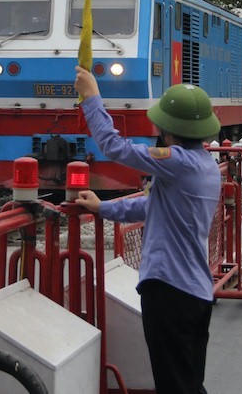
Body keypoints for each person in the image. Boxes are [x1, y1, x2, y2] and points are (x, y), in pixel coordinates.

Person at [73, 66, 221, 394]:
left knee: (175, 386)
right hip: (196, 292)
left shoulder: (177, 161)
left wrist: (92, 97)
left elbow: (114, 147)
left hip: (169, 290)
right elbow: (149, 206)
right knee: (188, 383)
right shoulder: (205, 166)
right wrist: (103, 208)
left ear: (169, 129)